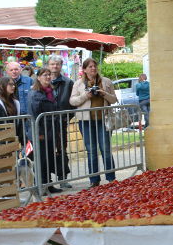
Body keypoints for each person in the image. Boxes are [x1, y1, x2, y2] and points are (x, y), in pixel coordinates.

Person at [70, 58, 118, 188]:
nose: (93, 68)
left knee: (105, 149)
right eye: (90, 66)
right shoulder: (78, 84)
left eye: (94, 66)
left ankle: (111, 178)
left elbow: (114, 99)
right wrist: (86, 96)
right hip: (86, 121)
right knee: (91, 150)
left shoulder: (106, 81)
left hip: (103, 120)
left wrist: (104, 94)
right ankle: (94, 180)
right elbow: (72, 101)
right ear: (84, 70)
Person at [28, 67, 62, 194]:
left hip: (51, 131)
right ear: (38, 77)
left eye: (49, 75)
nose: (48, 77)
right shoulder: (35, 93)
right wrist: (40, 133)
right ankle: (40, 186)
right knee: (40, 160)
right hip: (39, 131)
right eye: (44, 75)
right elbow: (34, 114)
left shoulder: (51, 91)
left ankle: (48, 184)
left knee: (48, 158)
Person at [47, 55, 75, 189]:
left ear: (61, 65)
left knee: (61, 150)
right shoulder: (43, 81)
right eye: (52, 64)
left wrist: (66, 118)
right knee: (47, 151)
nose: (54, 66)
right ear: (48, 65)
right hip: (45, 124)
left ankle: (62, 178)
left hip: (61, 122)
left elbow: (73, 103)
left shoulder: (68, 82)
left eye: (57, 64)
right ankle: (48, 180)